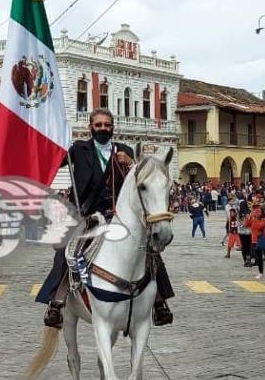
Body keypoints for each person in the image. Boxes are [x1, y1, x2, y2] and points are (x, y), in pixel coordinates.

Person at [37, 108, 175, 328]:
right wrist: (53, 142)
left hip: (117, 215)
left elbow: (138, 178)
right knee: (66, 251)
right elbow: (52, 162)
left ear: (113, 128)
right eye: (98, 125)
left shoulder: (125, 150)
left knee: (149, 249)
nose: (103, 128)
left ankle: (160, 302)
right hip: (85, 213)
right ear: (90, 127)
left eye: (107, 125)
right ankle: (56, 301)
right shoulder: (78, 149)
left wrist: (129, 163)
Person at [249, 206, 265, 281]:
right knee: (258, 257)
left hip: (262, 239)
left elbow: (260, 226)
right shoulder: (253, 218)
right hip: (254, 239)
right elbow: (247, 224)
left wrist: (255, 219)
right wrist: (250, 216)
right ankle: (260, 272)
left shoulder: (264, 219)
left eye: (259, 212)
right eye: (256, 212)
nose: (257, 213)